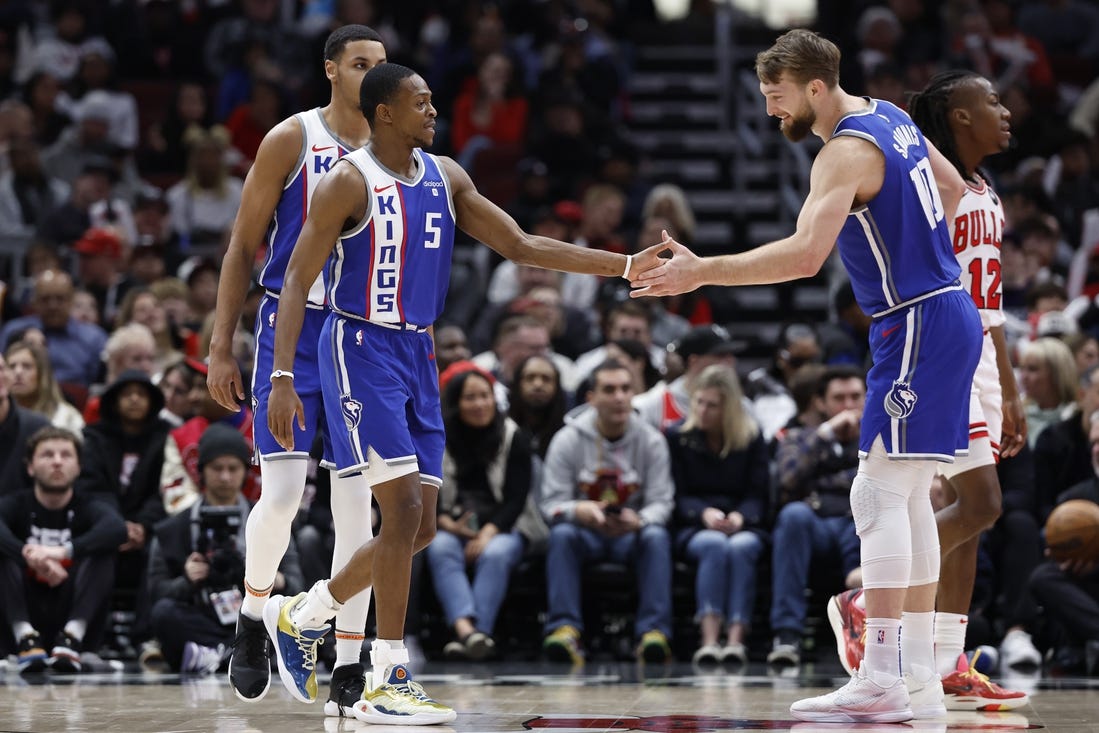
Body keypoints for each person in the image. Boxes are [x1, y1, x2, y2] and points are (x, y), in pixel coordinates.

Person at [628, 29, 982, 723]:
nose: (769, 110)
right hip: (941, 310)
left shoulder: (844, 150)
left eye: (775, 95)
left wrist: (701, 269)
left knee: (875, 493)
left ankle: (879, 672)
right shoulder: (891, 115)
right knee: (905, 495)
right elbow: (951, 186)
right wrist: (913, 244)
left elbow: (800, 257)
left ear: (814, 87)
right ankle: (915, 677)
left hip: (915, 319)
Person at [264, 63, 633, 725]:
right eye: (421, 102)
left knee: (422, 524)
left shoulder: (446, 175)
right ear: (383, 112)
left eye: (434, 100)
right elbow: (296, 280)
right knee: (400, 509)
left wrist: (626, 265)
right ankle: (385, 676)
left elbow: (519, 244)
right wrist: (284, 376)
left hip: (419, 349)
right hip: (358, 346)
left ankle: (305, 611)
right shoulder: (348, 180)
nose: (433, 111)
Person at [829, 70, 1032, 710]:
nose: (1004, 110)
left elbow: (992, 300)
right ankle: (868, 601)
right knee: (975, 503)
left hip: (976, 346)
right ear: (960, 117)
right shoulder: (929, 188)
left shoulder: (982, 187)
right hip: (943, 346)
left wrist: (1008, 383)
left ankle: (945, 659)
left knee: (971, 515)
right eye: (991, 101)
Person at [204, 24, 387, 710]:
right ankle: (252, 619)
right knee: (281, 497)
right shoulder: (292, 137)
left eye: (380, 64)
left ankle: (346, 658)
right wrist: (221, 344)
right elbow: (240, 248)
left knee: (355, 511)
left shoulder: (394, 153)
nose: (372, 74)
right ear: (332, 70)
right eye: (359, 63)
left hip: (359, 336)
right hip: (290, 326)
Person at [539, 359, 675, 664]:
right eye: (610, 390)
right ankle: (565, 629)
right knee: (562, 534)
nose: (619, 397)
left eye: (626, 389)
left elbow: (662, 502)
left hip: (631, 535)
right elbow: (550, 505)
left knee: (656, 536)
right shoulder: (568, 439)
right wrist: (580, 509)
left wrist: (639, 519)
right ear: (591, 398)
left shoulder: (651, 440)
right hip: (587, 534)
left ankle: (653, 633)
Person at [147, 424, 304, 675]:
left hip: (255, 617)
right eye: (217, 468)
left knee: (287, 615)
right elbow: (155, 594)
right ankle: (236, 654)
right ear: (201, 471)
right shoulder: (173, 529)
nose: (225, 477)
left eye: (233, 468)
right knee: (164, 614)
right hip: (202, 615)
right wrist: (187, 580)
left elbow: (298, 584)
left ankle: (218, 656)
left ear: (245, 471)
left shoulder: (270, 520)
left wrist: (276, 580)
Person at [428, 363, 534, 660]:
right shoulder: (440, 436)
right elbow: (430, 488)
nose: (480, 404)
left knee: (495, 553)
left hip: (505, 527)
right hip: (453, 526)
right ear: (456, 402)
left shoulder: (513, 437)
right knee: (439, 547)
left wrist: (488, 533)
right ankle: (470, 633)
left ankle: (473, 634)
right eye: (470, 397)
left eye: (485, 396)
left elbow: (516, 500)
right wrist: (446, 522)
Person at [0, 426, 126, 674]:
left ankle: (72, 637)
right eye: (47, 455)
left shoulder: (90, 504)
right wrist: (30, 557)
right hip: (22, 608)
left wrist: (61, 552)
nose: (57, 462)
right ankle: (24, 637)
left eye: (66, 455)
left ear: (79, 467)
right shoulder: (16, 503)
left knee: (103, 551)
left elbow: (117, 529)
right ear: (30, 467)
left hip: (71, 606)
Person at [666, 364, 769, 667]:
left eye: (712, 405)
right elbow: (675, 493)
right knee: (713, 544)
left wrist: (741, 517)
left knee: (741, 547)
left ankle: (736, 639)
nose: (703, 410)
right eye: (699, 402)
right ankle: (709, 640)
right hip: (695, 522)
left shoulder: (751, 437)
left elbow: (759, 494)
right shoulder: (677, 438)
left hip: (741, 523)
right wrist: (702, 513)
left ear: (729, 408)